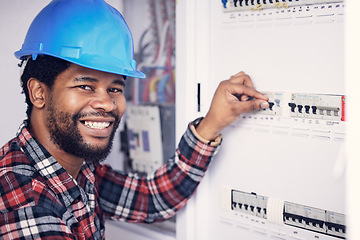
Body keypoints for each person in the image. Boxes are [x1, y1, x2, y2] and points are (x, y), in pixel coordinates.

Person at [0, 0, 269, 239]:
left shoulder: (77, 168)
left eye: (115, 89)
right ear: (38, 92)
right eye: (85, 86)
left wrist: (212, 123)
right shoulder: (26, 202)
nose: (107, 103)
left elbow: (152, 198)